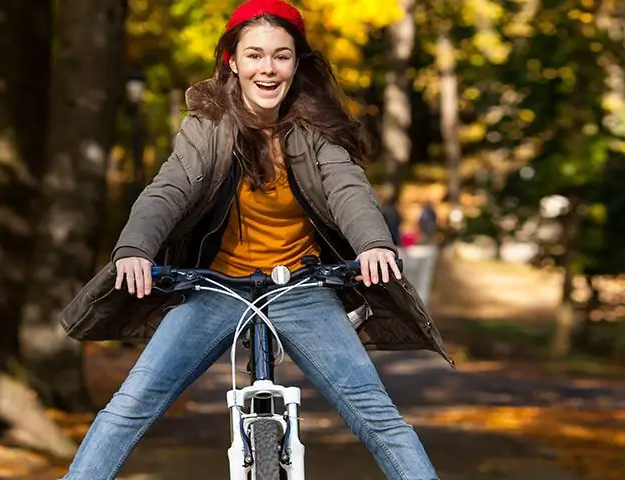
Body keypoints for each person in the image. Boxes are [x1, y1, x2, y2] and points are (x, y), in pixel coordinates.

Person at [60, 1, 451, 478]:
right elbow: (169, 189)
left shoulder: (315, 129)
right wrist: (134, 250)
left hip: (301, 289)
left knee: (378, 415)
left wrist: (373, 245)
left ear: (296, 64)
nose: (268, 69)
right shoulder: (207, 126)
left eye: (281, 56)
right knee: (130, 405)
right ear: (233, 61)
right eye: (255, 55)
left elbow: (347, 187)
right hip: (217, 287)